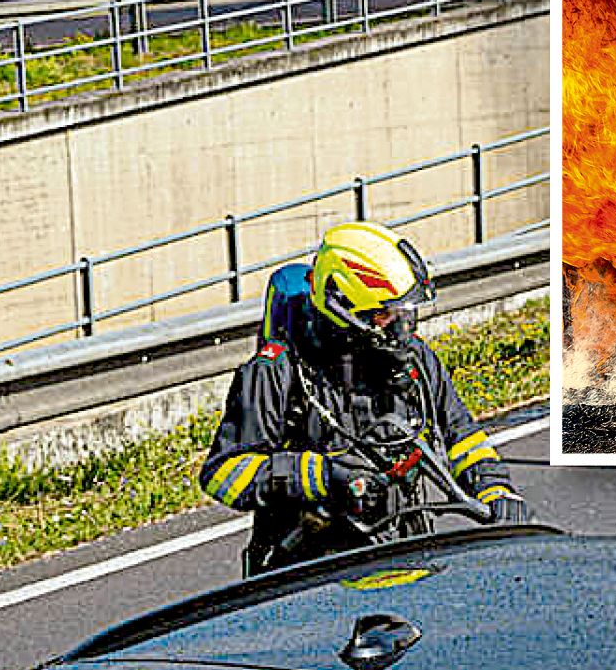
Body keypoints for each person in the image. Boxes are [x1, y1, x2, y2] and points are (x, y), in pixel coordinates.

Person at [199, 220, 532, 573]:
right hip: (306, 577)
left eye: (404, 312)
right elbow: (224, 474)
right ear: (343, 305)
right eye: (386, 313)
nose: (401, 326)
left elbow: (462, 436)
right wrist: (322, 476)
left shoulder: (413, 359)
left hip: (404, 557)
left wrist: (495, 490)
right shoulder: (276, 371)